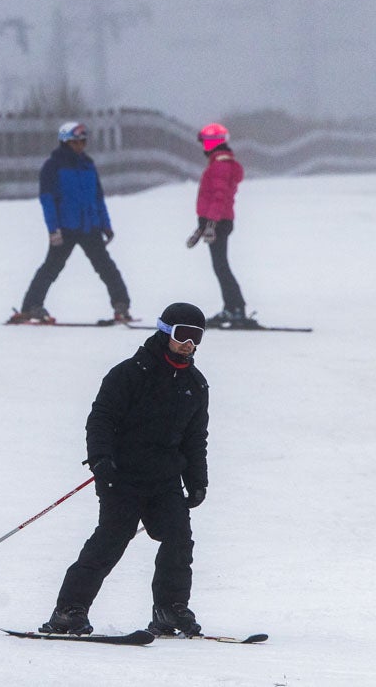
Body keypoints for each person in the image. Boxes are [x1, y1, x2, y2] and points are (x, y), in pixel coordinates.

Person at [40, 302, 210, 638]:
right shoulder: (131, 373)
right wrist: (101, 459)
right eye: (182, 335)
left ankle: (169, 610)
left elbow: (195, 438)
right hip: (122, 476)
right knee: (111, 540)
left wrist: (197, 481)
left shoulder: (195, 384)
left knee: (178, 540)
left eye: (196, 338)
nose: (189, 344)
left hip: (165, 480)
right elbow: (101, 418)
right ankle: (68, 611)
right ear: (164, 333)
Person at [11, 121, 132, 324]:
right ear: (66, 142)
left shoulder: (88, 164)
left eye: (83, 142)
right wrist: (53, 229)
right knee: (51, 268)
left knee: (106, 266)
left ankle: (121, 305)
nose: (80, 146)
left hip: (89, 226)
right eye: (76, 142)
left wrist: (106, 224)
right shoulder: (53, 167)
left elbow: (97, 197)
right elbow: (47, 200)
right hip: (65, 228)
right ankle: (32, 306)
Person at [186, 122, 251, 327]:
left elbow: (219, 197)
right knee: (220, 266)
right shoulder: (219, 163)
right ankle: (231, 308)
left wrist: (211, 223)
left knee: (221, 266)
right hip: (218, 221)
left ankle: (236, 308)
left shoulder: (220, 166)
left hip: (219, 222)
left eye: (205, 142)